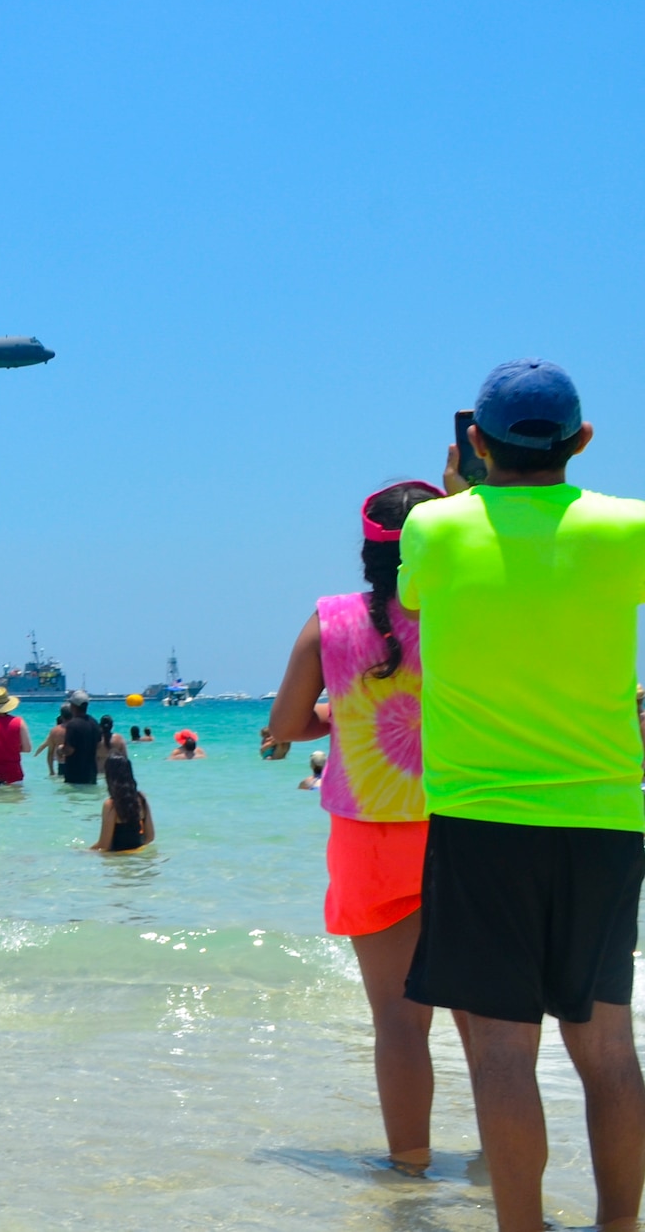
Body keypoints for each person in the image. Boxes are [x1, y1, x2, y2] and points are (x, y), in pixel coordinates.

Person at [397, 361, 645, 1229]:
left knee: (503, 1051)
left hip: (481, 819)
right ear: (580, 440)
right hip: (607, 816)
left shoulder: (432, 526)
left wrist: (466, 491)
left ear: (474, 440)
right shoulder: (630, 527)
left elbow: (418, 599)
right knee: (609, 1046)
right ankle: (620, 1224)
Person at [267, 480, 448, 1173]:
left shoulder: (330, 620)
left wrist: (342, 715)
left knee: (399, 1021)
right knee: (486, 1019)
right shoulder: (463, 612)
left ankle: (409, 1169)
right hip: (462, 827)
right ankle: (504, 1165)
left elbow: (285, 726)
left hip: (369, 835)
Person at [92, 757, 156, 853]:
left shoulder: (111, 805)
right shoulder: (141, 799)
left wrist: (82, 852)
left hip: (119, 861)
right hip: (138, 860)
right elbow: (150, 837)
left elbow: (104, 845)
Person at [59, 693, 102, 786]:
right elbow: (99, 745)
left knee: (75, 800)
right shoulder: (94, 722)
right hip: (91, 773)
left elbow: (69, 750)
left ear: (73, 706)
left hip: (75, 774)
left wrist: (60, 749)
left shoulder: (72, 725)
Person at [37, 708, 69, 775]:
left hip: (61, 761)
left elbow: (45, 746)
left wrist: (36, 754)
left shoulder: (55, 732)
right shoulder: (78, 728)